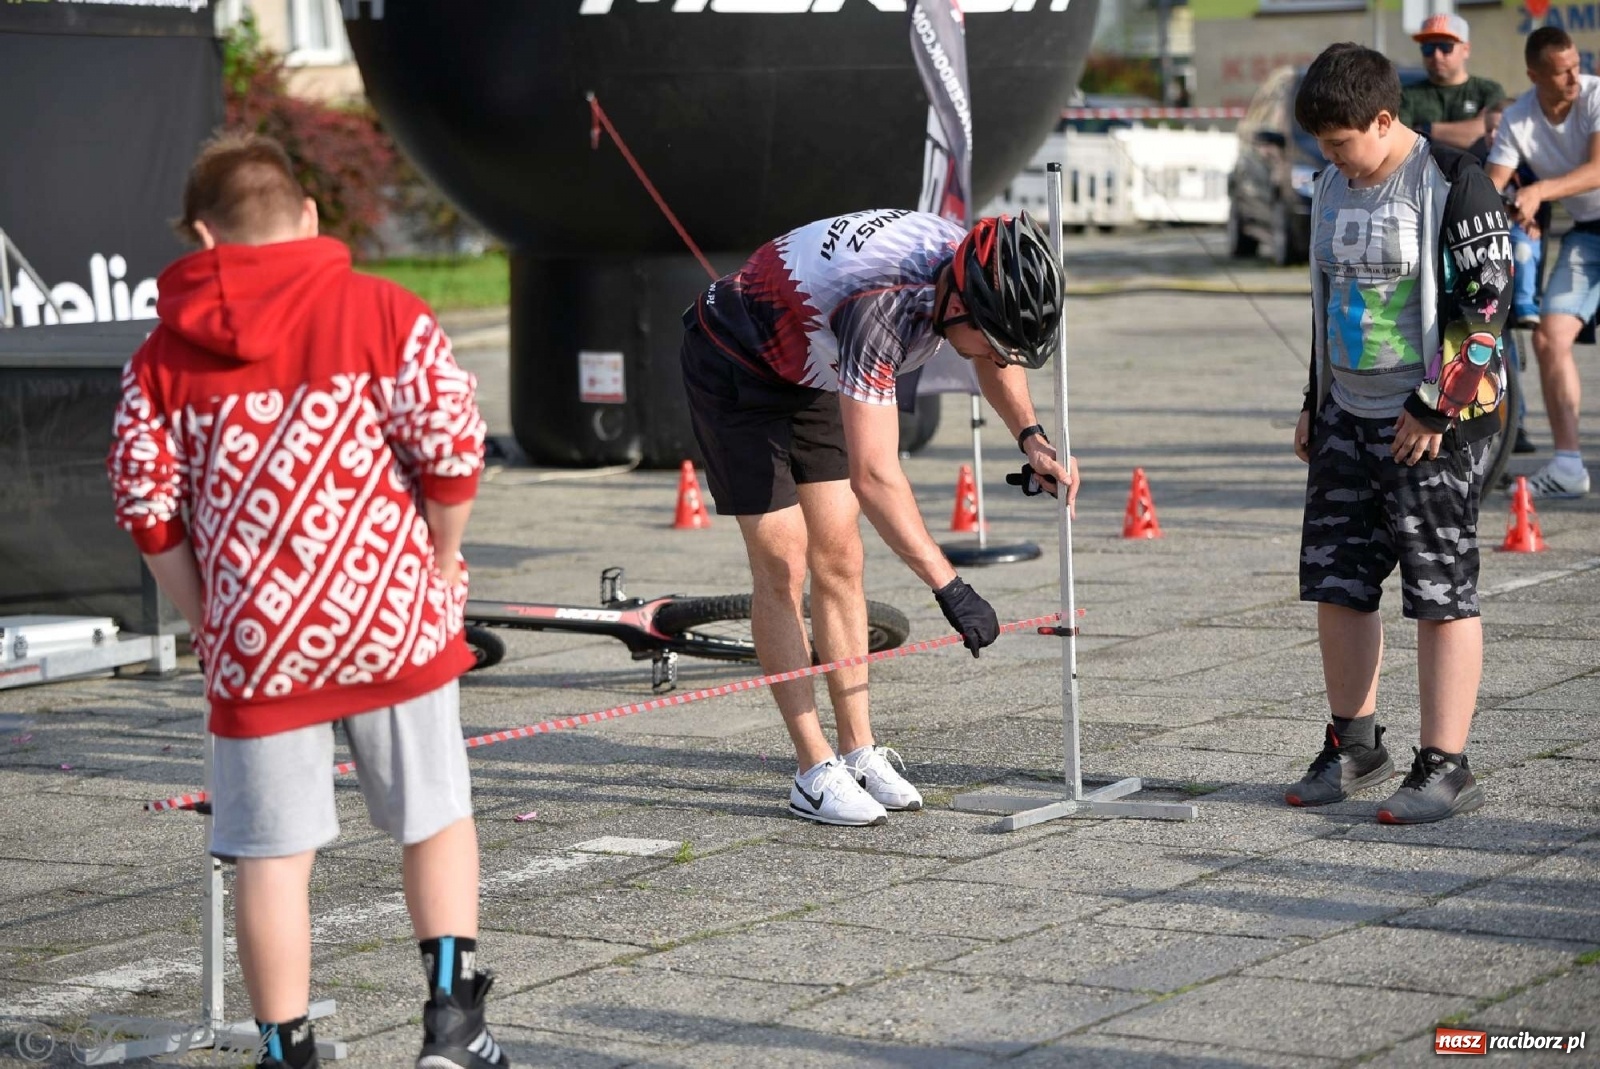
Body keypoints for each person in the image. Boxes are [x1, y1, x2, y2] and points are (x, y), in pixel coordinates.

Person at [106, 134, 508, 1069]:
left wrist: (207, 614)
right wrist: (444, 560)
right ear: (309, 216)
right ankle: (453, 1023)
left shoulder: (160, 357)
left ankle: (289, 1053)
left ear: (202, 235)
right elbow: (452, 449)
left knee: (272, 856)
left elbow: (145, 504)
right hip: (392, 619)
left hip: (259, 640)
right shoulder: (384, 312)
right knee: (434, 815)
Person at [679, 209, 1076, 827]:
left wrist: (1031, 437)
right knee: (783, 563)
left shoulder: (972, 268)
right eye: (994, 339)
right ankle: (812, 771)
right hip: (735, 360)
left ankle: (858, 752)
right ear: (958, 305)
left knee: (840, 555)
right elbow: (876, 476)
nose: (1000, 356)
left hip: (812, 360)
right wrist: (952, 586)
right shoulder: (881, 306)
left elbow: (996, 355)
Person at [1287, 44, 1511, 823]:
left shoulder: (1454, 183)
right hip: (1347, 411)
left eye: (1344, 141)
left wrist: (1432, 408)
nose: (1333, 158)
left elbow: (1484, 315)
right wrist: (1315, 401)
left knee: (1439, 588)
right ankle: (1354, 743)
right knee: (1339, 579)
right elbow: (1325, 298)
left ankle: (1446, 763)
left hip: (1433, 420)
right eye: (1322, 144)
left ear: (1386, 120)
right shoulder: (1328, 186)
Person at [1486, 26, 1600, 498]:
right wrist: (1510, 210)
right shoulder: (1518, 119)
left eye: (1576, 65)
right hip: (1589, 235)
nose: (1575, 76)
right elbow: (1492, 185)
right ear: (1534, 75)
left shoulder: (1596, 95)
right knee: (1550, 338)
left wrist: (1537, 191)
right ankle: (1569, 465)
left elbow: (1597, 170)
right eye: (1562, 71)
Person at [1470, 98, 1543, 454]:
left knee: (1509, 355)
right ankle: (1496, 425)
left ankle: (1515, 423)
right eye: (1488, 130)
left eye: (1500, 128)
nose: (1494, 135)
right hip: (1489, 273)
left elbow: (1537, 212)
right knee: (1493, 351)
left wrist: (1530, 220)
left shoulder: (1528, 169)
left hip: (1517, 271)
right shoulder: (1479, 169)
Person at [1399, 13, 1505, 152]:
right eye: (1428, 48)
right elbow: (1402, 140)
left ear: (1466, 49)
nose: (1436, 55)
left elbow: (1482, 132)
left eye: (1445, 47)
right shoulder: (1408, 95)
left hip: (1474, 171)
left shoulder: (1488, 91)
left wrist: (1424, 129)